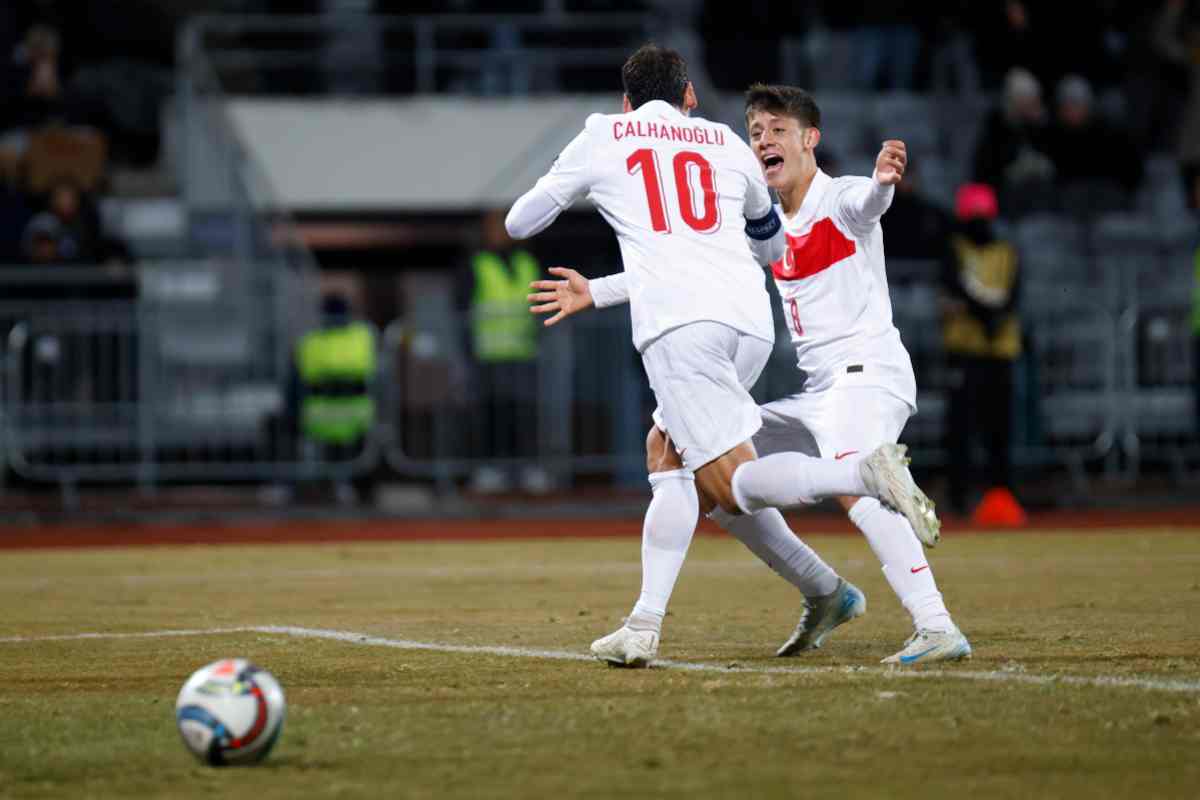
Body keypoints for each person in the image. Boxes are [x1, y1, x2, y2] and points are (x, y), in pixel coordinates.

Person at [517, 61, 957, 667]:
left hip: (868, 374)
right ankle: (824, 590)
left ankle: (935, 622)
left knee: (859, 485)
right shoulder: (758, 225)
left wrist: (883, 183)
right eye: (756, 131)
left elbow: (868, 204)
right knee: (691, 463)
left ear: (811, 139)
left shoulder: (840, 197)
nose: (763, 141)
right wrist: (599, 290)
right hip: (818, 390)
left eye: (778, 129)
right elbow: (686, 265)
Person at [940, 184, 1025, 523]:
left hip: (994, 349)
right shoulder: (956, 249)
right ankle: (962, 498)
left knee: (997, 429)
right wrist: (992, 317)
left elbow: (1015, 292)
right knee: (963, 428)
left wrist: (987, 317)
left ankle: (998, 497)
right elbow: (955, 284)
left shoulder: (1005, 252)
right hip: (967, 348)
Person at [462, 207, 548, 494]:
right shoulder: (478, 264)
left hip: (523, 352)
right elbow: (461, 310)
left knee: (523, 414)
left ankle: (526, 468)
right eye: (494, 226)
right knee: (491, 414)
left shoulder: (526, 262)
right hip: (487, 355)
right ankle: (491, 468)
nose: (500, 231)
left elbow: (540, 303)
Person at [970, 67, 1055, 216]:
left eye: (1032, 99)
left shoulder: (1047, 128)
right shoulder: (996, 126)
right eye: (1023, 98)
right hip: (1005, 197)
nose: (1028, 104)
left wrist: (1038, 127)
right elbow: (985, 168)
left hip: (1042, 198)